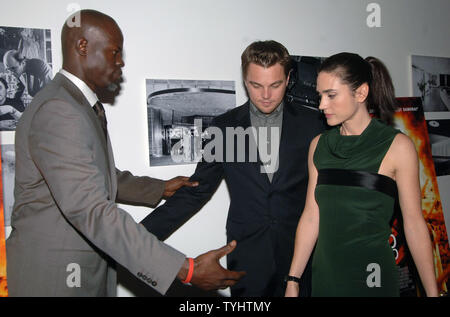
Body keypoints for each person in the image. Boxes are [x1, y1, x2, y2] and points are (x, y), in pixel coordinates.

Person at [6, 9, 245, 297]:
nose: (121, 62)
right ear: (83, 46)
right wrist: (187, 269)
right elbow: (91, 209)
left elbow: (94, 174)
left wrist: (159, 188)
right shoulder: (61, 109)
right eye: (115, 52)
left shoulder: (75, 104)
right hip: (58, 277)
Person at [141, 40, 325, 296]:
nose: (266, 95)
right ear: (244, 79)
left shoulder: (314, 124)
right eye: (256, 85)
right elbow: (198, 190)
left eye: (275, 84)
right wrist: (139, 238)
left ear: (289, 78)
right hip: (247, 254)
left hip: (303, 255)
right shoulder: (223, 128)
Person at [285, 52, 439, 297]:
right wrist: (293, 279)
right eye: (320, 95)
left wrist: (432, 292)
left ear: (361, 93)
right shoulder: (319, 145)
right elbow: (312, 216)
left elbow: (414, 224)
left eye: (331, 95)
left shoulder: (398, 147)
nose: (322, 104)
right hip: (325, 278)